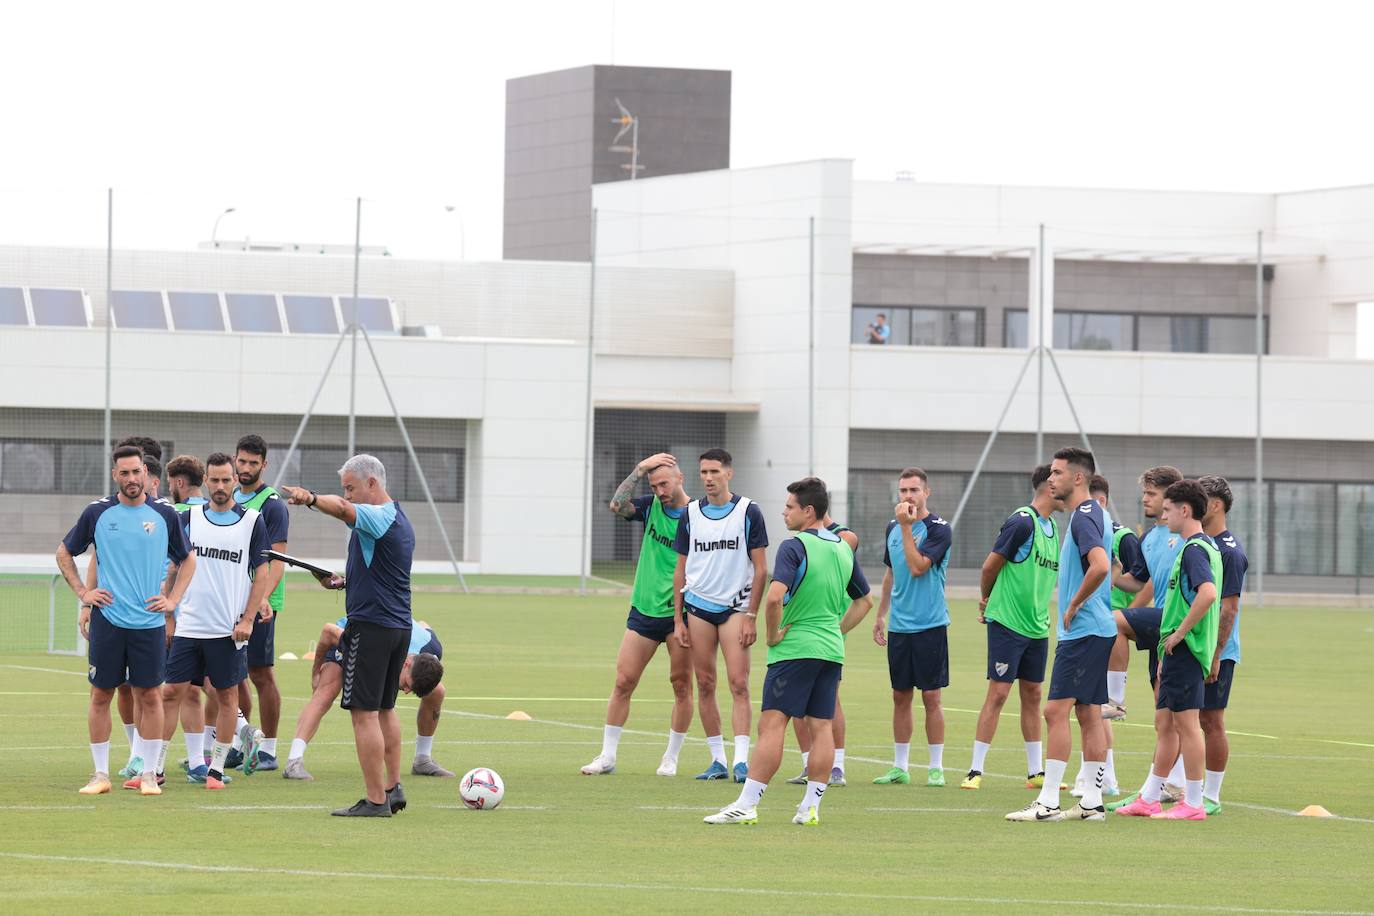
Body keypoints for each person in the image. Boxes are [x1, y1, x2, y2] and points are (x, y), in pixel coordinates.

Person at [704, 477, 872, 826]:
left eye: (789, 507)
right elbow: (865, 601)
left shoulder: (794, 547)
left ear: (808, 511)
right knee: (822, 727)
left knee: (772, 724)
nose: (783, 512)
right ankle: (810, 807)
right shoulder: (842, 547)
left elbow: (775, 596)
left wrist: (772, 636)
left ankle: (747, 804)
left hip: (795, 650)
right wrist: (835, 631)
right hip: (830, 650)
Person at [280, 454, 414, 818]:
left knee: (363, 713)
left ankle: (374, 801)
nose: (348, 495)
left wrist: (309, 498)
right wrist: (343, 581)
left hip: (371, 628)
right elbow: (381, 574)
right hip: (398, 626)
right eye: (345, 489)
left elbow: (340, 509)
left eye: (351, 488)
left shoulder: (375, 515)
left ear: (373, 483)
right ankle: (393, 786)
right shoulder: (399, 519)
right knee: (385, 708)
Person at [56, 444, 195, 796]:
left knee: (150, 696)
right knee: (101, 694)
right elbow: (65, 552)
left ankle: (149, 774)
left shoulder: (164, 516)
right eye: (125, 473)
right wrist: (84, 596)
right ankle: (100, 774)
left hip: (148, 623)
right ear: (115, 475)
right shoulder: (98, 513)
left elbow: (188, 560)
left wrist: (172, 601)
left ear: (147, 476)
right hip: (109, 622)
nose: (133, 479)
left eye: (138, 472)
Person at [1006, 447, 1113, 822]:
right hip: (1098, 630)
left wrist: (1073, 604)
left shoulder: (1084, 517)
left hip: (1084, 631)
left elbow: (1100, 566)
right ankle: (1092, 803)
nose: (1051, 479)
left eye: (1057, 472)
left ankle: (1048, 801)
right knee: (1088, 714)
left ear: (1078, 478)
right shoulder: (1096, 513)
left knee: (1054, 710)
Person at [155, 453, 272, 789]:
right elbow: (175, 568)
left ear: (235, 479)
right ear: (205, 481)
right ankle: (157, 766)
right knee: (171, 693)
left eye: (226, 480)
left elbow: (261, 574)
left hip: (228, 628)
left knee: (226, 698)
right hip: (189, 625)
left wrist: (248, 618)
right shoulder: (189, 518)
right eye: (214, 480)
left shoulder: (252, 521)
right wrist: (169, 614)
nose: (220, 486)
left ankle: (216, 770)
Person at [1112, 479, 1221, 821]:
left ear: (1185, 510)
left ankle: (1193, 803)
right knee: (1167, 721)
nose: (1165, 514)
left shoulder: (1194, 550)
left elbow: (1207, 594)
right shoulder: (1196, 547)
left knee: (1187, 726)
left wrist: (1177, 634)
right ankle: (1149, 797)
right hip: (1174, 650)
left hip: (1185, 648)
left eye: (1170, 509)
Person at [581, 453, 694, 777]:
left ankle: (671, 757)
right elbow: (617, 506)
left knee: (681, 685)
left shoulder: (697, 516)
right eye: (654, 484)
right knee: (623, 681)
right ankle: (608, 756)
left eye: (664, 483)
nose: (659, 490)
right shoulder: (650, 507)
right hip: (644, 609)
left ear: (680, 478)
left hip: (680, 614)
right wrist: (639, 469)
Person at [671, 449, 768, 782]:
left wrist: (752, 614)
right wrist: (678, 619)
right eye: (703, 472)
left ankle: (742, 761)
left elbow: (761, 569)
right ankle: (718, 760)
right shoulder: (691, 514)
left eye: (714, 471)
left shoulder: (748, 511)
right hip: (697, 607)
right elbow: (680, 568)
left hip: (735, 609)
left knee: (739, 683)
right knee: (705, 682)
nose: (708, 478)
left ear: (729, 473)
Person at [963, 464, 1058, 791]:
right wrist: (986, 599)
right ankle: (975, 770)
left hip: (1037, 626)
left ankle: (1036, 773)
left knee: (1032, 695)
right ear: (1049, 485)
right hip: (1007, 623)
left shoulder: (1054, 527)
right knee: (999, 693)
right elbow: (991, 565)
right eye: (1059, 479)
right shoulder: (1022, 522)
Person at [285, 616, 447, 782]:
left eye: (410, 689)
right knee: (327, 691)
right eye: (406, 684)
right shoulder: (369, 647)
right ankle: (294, 761)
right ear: (406, 663)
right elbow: (328, 631)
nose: (405, 691)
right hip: (353, 635)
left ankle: (422, 759)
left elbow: (424, 625)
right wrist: (315, 672)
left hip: (388, 635)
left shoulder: (432, 649)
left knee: (437, 691)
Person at [873, 467, 952, 788]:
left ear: (926, 493)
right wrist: (880, 615)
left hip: (930, 625)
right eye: (903, 491)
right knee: (900, 696)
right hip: (900, 628)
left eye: (914, 490)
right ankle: (900, 766)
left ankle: (936, 767)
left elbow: (918, 567)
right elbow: (892, 573)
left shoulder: (939, 529)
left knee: (931, 697)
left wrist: (907, 527)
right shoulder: (893, 527)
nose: (908, 496)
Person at [229, 434, 289, 771]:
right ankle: (240, 742)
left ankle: (268, 748)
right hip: (231, 598)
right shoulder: (230, 498)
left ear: (264, 465)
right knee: (232, 676)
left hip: (262, 601)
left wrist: (263, 598)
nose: (246, 468)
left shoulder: (272, 504)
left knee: (260, 674)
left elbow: (277, 560)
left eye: (254, 463)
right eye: (242, 461)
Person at [786, 512, 858, 787]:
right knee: (796, 702)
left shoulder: (844, 536)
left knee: (829, 700)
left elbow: (861, 596)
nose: (787, 511)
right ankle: (808, 763)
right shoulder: (799, 541)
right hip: (799, 629)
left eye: (793, 505)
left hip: (828, 625)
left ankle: (836, 766)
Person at [1196, 475, 1248, 815]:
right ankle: (1179, 785)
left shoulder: (1229, 552)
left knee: (1212, 720)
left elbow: (1228, 607)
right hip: (1195, 645)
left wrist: (1215, 654)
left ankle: (1212, 795)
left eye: (1202, 500)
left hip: (1217, 651)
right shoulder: (1201, 545)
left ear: (1215, 505)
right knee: (1184, 717)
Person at [165, 454, 214, 771]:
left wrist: (168, 609)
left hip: (176, 614)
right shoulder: (218, 513)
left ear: (179, 482)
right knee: (198, 690)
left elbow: (171, 564)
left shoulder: (172, 514)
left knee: (161, 692)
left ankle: (142, 759)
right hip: (209, 614)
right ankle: (198, 761)